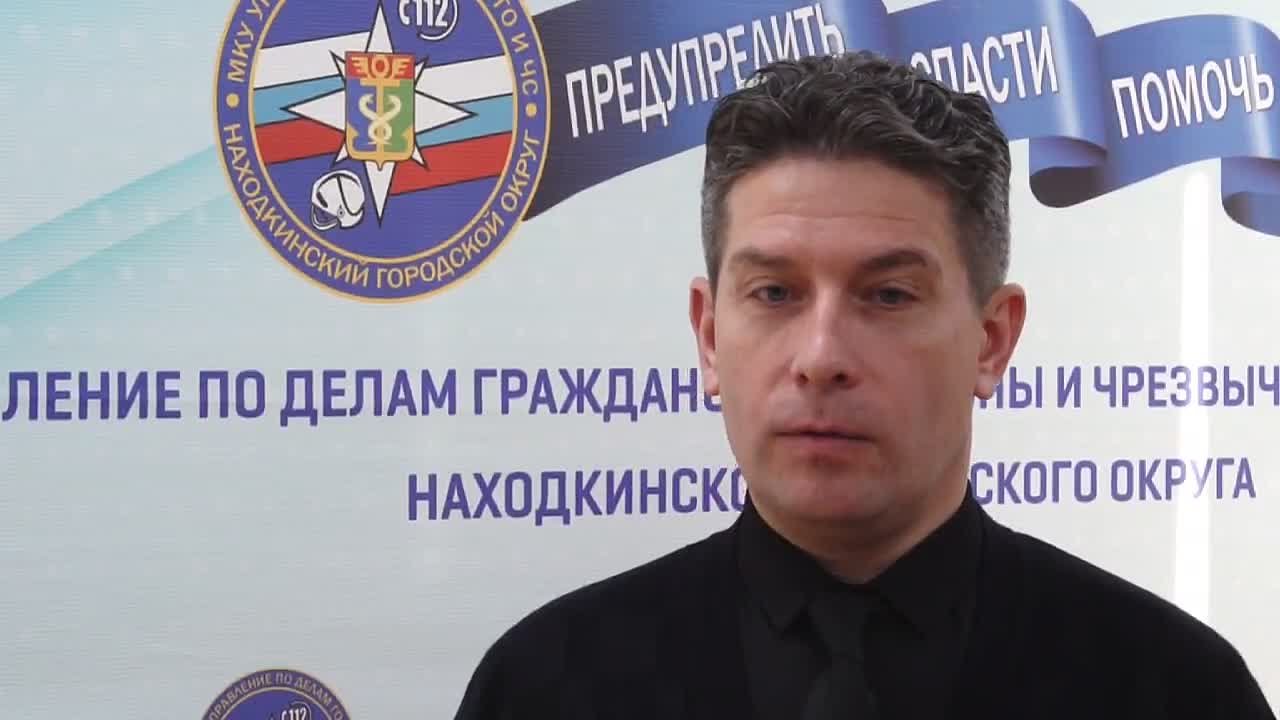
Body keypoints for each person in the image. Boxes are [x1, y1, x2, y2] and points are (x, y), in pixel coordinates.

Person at [452, 50, 1275, 719]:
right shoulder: (546, 685)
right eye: (774, 292)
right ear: (708, 336)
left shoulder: (1174, 689)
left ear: (992, 340)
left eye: (887, 296)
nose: (821, 356)